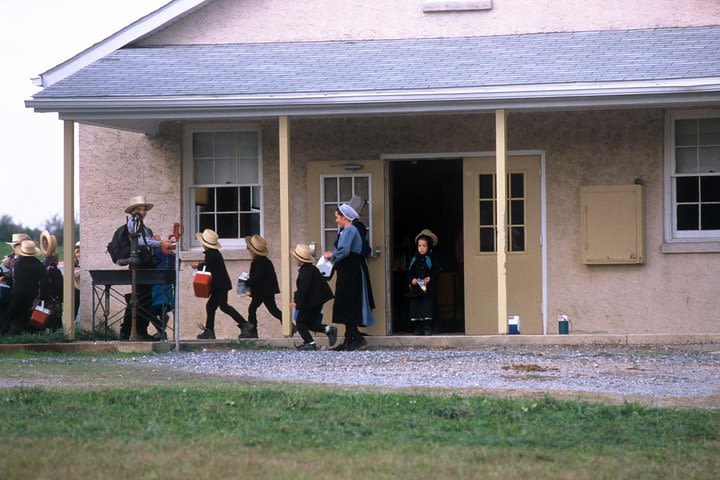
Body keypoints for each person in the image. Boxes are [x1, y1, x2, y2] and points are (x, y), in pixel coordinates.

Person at [119, 195, 173, 341]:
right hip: (138, 265)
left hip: (144, 265)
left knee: (142, 299)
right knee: (140, 299)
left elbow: (146, 241)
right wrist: (160, 243)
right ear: (133, 211)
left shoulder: (142, 226)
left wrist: (155, 242)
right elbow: (140, 242)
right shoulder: (133, 223)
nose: (143, 212)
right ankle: (132, 331)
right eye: (139, 209)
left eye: (144, 209)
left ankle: (137, 330)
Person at [323, 203, 374, 351]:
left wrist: (331, 255)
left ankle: (353, 339)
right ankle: (352, 339)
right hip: (347, 270)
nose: (336, 220)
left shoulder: (350, 230)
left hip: (351, 271)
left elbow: (344, 251)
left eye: (337, 217)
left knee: (349, 303)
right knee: (346, 303)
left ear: (345, 217)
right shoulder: (347, 230)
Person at [192, 229, 253, 340]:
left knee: (222, 307)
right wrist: (202, 263)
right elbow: (210, 265)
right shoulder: (213, 253)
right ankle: (210, 330)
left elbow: (208, 268)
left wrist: (198, 266)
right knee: (214, 306)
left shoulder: (210, 254)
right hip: (221, 285)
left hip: (219, 286)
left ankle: (244, 325)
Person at [290, 243, 337, 350]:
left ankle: (310, 343)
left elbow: (303, 290)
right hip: (317, 301)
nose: (295, 260)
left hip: (310, 302)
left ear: (300, 260)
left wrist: (296, 301)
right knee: (311, 324)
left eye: (295, 258)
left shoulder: (305, 272)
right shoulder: (311, 269)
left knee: (300, 323)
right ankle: (329, 329)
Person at [4, 240, 48, 335]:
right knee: (28, 316)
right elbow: (45, 283)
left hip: (17, 294)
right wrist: (43, 298)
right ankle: (26, 335)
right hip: (32, 296)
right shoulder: (39, 265)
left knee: (12, 316)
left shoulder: (18, 263)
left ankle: (9, 335)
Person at [242, 234, 282, 338]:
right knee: (273, 310)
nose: (248, 251)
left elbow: (257, 278)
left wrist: (247, 283)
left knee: (252, 309)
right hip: (266, 290)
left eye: (249, 249)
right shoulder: (265, 261)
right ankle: (289, 324)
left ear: (253, 251)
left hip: (262, 291)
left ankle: (253, 332)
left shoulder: (257, 262)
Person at [407, 229, 439, 336]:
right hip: (417, 288)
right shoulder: (414, 259)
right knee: (417, 306)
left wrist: (430, 278)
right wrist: (412, 280)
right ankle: (418, 327)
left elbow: (435, 271)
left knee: (427, 306)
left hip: (427, 288)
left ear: (428, 246)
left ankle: (427, 327)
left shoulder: (431, 259)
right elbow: (410, 272)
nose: (421, 248)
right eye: (419, 246)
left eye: (424, 246)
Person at [40, 231, 63, 331]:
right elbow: (60, 288)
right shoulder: (55, 271)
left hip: (43, 301)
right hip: (54, 302)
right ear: (56, 259)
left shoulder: (43, 267)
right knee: (55, 326)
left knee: (41, 325)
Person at [73, 242, 81, 320]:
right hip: (76, 290)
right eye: (77, 252)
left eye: (80, 252)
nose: (78, 255)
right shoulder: (75, 263)